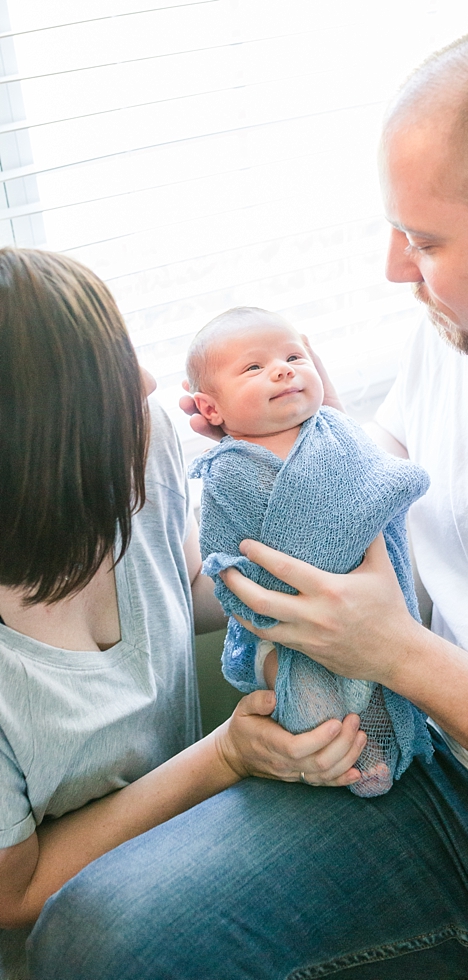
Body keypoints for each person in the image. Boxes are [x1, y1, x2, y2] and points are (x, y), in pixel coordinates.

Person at [27, 11, 468, 979]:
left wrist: (401, 653)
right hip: (417, 768)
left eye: (424, 240)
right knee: (90, 937)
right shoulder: (463, 332)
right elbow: (353, 488)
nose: (393, 270)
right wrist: (259, 452)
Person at [0, 248, 366, 980]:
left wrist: (302, 461)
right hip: (72, 926)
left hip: (190, 834)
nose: (144, 381)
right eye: (109, 367)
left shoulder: (140, 445)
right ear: (37, 430)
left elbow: (193, 581)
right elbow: (16, 895)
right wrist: (228, 754)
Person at [184, 306, 431, 797]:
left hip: (366, 601)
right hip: (289, 627)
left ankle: (385, 741)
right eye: (253, 368)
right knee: (312, 702)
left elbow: (379, 482)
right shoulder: (230, 469)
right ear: (211, 410)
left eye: (294, 356)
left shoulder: (335, 431)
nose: (283, 369)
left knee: (379, 692)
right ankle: (354, 759)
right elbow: (225, 554)